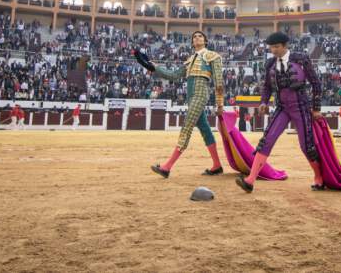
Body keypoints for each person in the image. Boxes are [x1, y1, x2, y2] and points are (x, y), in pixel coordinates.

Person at [235, 32, 324, 193]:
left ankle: (319, 177)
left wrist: (316, 108)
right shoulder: (270, 63)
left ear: (285, 46)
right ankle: (250, 180)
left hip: (301, 107)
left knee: (307, 145)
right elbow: (267, 86)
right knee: (266, 140)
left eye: (276, 47)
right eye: (271, 47)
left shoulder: (301, 59)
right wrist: (263, 102)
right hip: (282, 107)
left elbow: (316, 83)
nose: (274, 50)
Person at [134, 31, 224, 178]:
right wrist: (155, 67)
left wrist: (220, 104)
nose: (197, 38)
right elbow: (174, 75)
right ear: (192, 42)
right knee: (205, 129)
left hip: (200, 95)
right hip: (191, 97)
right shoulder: (189, 60)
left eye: (200, 36)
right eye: (194, 37)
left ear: (205, 41)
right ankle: (217, 165)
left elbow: (219, 82)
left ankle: (167, 167)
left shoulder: (213, 56)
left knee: (186, 127)